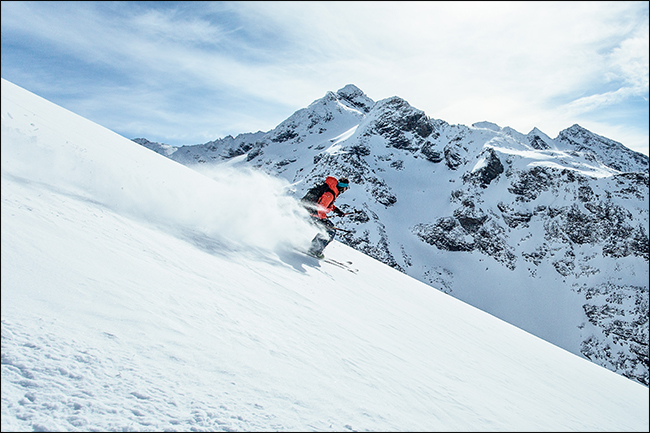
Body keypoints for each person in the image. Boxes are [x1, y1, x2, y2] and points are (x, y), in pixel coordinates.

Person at [303, 176, 350, 259]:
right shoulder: (330, 194)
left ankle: (314, 247)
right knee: (330, 231)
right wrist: (324, 220)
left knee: (328, 229)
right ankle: (314, 249)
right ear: (343, 187)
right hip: (313, 214)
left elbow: (326, 204)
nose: (345, 190)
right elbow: (320, 208)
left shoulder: (331, 191)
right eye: (346, 188)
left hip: (312, 213)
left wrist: (336, 210)